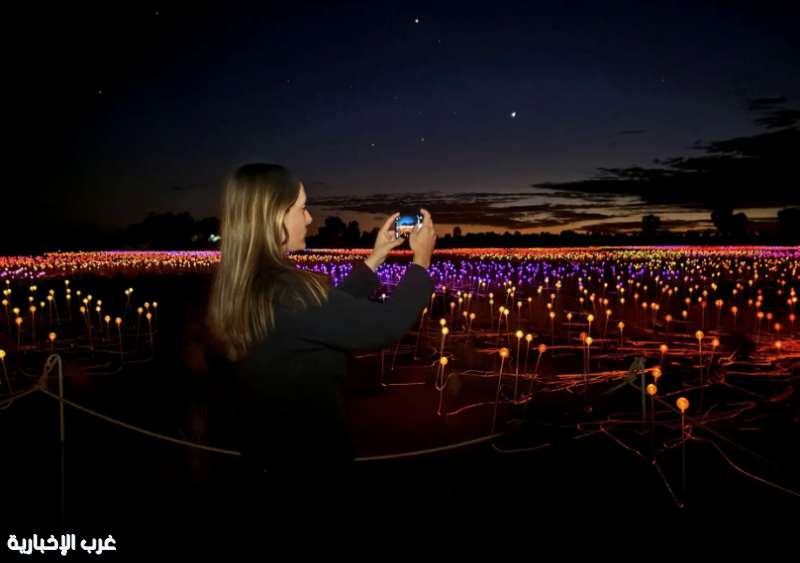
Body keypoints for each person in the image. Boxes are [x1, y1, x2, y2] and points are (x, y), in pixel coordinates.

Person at [206, 164, 436, 531]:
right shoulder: (290, 289)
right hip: (308, 475)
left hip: (269, 459)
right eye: (301, 208)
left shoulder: (251, 282)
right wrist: (421, 263)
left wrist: (376, 258)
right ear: (272, 216)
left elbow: (320, 316)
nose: (310, 218)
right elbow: (384, 324)